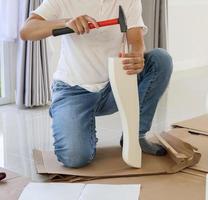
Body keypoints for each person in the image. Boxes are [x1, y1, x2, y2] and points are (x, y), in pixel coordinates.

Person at [20, 0, 173, 168]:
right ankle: (67, 113)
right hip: (73, 90)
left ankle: (137, 135)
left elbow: (135, 38)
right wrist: (66, 22)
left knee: (160, 59)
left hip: (114, 85)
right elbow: (27, 31)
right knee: (74, 158)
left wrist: (137, 54)